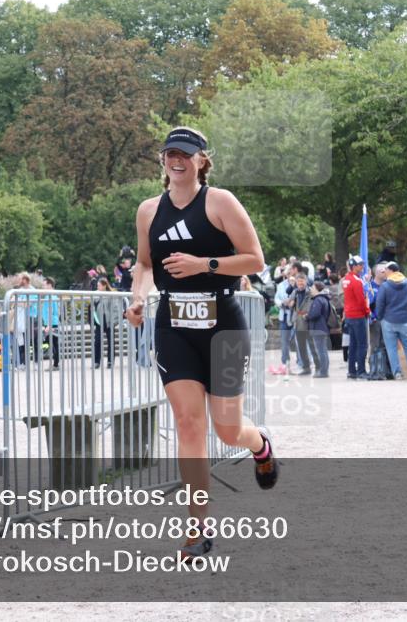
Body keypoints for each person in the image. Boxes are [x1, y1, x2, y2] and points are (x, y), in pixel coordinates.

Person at [124, 126, 277, 564]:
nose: (178, 161)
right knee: (189, 425)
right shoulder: (148, 211)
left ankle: (259, 444)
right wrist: (137, 299)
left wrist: (203, 264)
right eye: (171, 154)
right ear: (162, 160)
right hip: (173, 323)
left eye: (186, 155)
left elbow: (255, 259)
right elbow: (145, 263)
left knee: (227, 428)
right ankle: (197, 527)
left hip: (223, 325)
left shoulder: (220, 202)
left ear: (201, 161)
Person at [375, 261, 407, 380]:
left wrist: (380, 317)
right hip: (405, 320)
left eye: (386, 270)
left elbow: (380, 304)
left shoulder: (385, 286)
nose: (384, 273)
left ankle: (397, 373)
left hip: (388, 320)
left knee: (391, 348)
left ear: (391, 271)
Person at [342, 255, 370, 379]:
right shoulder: (356, 281)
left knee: (353, 344)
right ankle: (361, 371)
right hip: (358, 315)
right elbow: (361, 300)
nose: (363, 267)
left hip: (349, 315)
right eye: (360, 265)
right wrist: (367, 311)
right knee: (362, 344)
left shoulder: (346, 279)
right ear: (354, 266)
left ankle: (351, 371)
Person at [305, 280, 332, 378]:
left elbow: (315, 314)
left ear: (317, 289)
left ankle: (323, 372)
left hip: (318, 328)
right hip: (322, 327)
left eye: (312, 287)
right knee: (323, 350)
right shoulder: (324, 298)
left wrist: (307, 316)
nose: (311, 289)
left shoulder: (318, 299)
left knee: (321, 350)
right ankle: (324, 370)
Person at [291, 273, 316, 375]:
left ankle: (318, 366)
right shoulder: (295, 292)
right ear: (296, 283)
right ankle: (306, 368)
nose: (300, 283)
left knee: (312, 345)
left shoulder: (310, 292)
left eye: (302, 281)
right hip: (298, 322)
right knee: (301, 347)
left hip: (308, 322)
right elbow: (290, 304)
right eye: (298, 281)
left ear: (306, 282)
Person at [92, 277, 116, 368]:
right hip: (99, 321)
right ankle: (96, 362)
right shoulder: (95, 295)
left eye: (99, 285)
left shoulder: (110, 295)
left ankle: (110, 361)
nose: (97, 287)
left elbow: (115, 309)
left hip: (109, 321)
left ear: (104, 286)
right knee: (97, 341)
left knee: (111, 342)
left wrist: (113, 321)